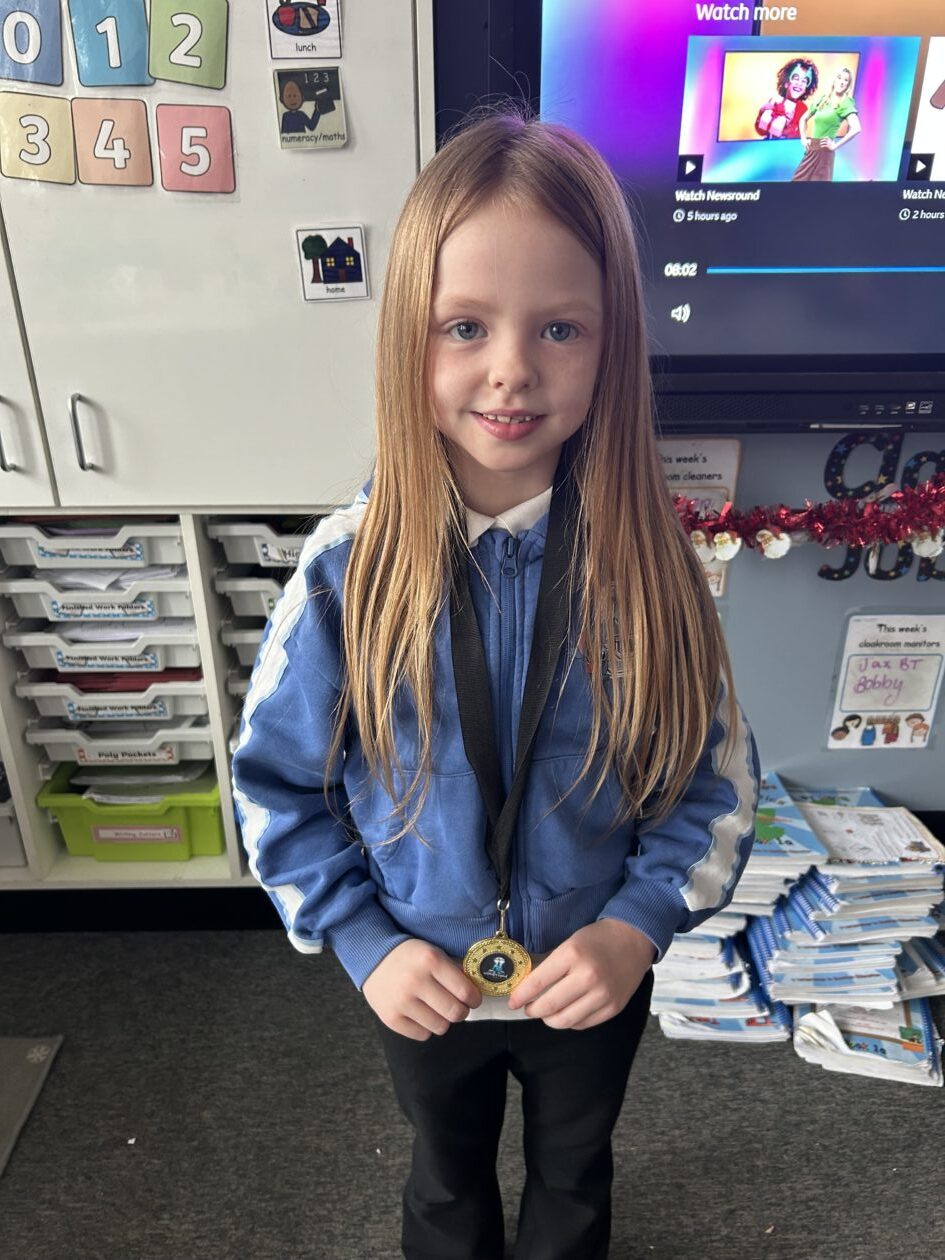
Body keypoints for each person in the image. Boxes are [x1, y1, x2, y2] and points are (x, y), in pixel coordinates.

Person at [231, 110, 760, 1260]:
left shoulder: (652, 566)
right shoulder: (345, 572)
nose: (512, 368)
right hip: (423, 971)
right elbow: (274, 792)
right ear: (406, 342)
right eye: (464, 326)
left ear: (612, 343)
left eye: (560, 327)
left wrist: (637, 929)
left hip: (589, 969)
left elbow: (713, 789)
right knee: (445, 1175)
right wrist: (362, 943)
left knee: (574, 1173)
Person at [792, 67, 861, 181]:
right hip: (812, 150)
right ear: (834, 79)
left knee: (819, 190)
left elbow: (856, 128)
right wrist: (803, 139)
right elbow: (803, 119)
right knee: (796, 185)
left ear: (848, 85)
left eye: (846, 80)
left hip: (824, 153)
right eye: (839, 78)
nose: (842, 82)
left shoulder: (845, 102)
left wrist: (835, 146)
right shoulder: (823, 99)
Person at [755, 57, 819, 140]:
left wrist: (787, 126)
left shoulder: (802, 109)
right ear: (786, 83)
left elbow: (798, 137)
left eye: (804, 81)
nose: (799, 83)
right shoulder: (775, 101)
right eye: (796, 79)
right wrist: (761, 113)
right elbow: (761, 131)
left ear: (806, 89)